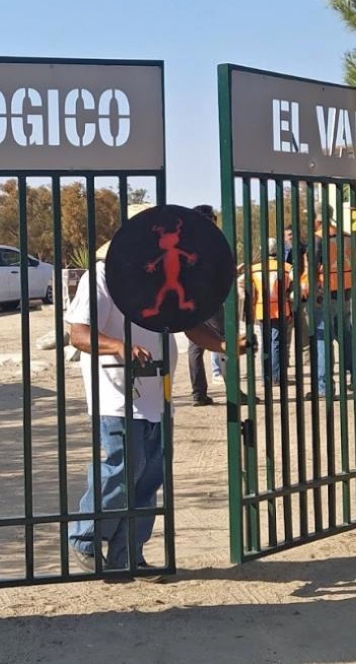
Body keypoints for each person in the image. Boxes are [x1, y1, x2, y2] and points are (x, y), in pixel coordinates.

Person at [65, 204, 234, 575]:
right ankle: (84, 537)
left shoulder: (163, 273)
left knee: (150, 474)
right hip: (116, 391)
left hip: (160, 391)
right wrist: (119, 347)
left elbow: (189, 326)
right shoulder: (101, 277)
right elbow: (78, 333)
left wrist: (225, 345)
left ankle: (129, 553)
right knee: (123, 468)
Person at [304, 217, 356, 398]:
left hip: (324, 296)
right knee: (347, 338)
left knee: (322, 341)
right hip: (345, 294)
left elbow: (312, 269)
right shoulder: (347, 237)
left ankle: (324, 387)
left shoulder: (318, 239)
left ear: (317, 219)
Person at [187, 205, 226, 406]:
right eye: (214, 218)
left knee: (195, 345)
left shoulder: (187, 239)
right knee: (222, 341)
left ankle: (198, 394)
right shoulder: (210, 240)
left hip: (190, 298)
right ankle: (233, 389)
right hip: (208, 296)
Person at [247, 238, 293, 387]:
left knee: (265, 343)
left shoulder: (254, 269)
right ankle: (276, 377)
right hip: (281, 309)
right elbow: (290, 290)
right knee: (277, 342)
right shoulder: (286, 267)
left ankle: (266, 377)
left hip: (262, 309)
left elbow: (250, 291)